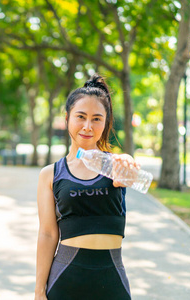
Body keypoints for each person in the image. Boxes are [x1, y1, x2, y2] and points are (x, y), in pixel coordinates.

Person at [34, 74, 139, 300]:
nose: (88, 126)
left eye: (97, 119)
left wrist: (128, 162)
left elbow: (129, 172)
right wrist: (39, 290)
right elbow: (47, 234)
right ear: (67, 118)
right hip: (65, 281)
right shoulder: (50, 175)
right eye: (80, 117)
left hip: (112, 282)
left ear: (106, 122)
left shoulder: (116, 165)